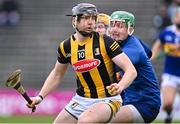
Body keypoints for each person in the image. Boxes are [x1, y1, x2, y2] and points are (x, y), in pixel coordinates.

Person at [26, 3, 137, 123]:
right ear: (74, 20)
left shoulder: (105, 41)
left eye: (93, 18)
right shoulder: (66, 46)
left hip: (108, 99)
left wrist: (120, 86)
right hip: (81, 100)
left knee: (85, 121)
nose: (90, 22)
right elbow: (57, 74)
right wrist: (40, 97)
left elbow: (131, 70)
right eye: (85, 18)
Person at [108, 11, 161, 123]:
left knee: (102, 119)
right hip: (130, 100)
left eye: (120, 26)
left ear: (130, 29)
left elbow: (111, 66)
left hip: (145, 104)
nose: (114, 29)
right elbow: (149, 52)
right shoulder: (132, 41)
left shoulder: (132, 49)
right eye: (112, 25)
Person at [151, 7, 180, 123]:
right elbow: (157, 47)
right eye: (177, 15)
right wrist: (149, 59)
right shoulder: (166, 32)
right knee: (167, 104)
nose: (177, 18)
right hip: (170, 72)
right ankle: (169, 114)